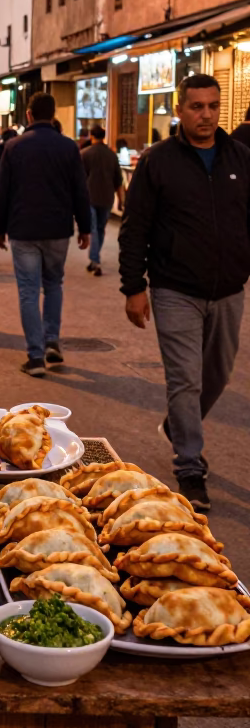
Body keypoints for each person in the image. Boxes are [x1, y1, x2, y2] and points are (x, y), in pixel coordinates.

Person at [119, 73, 250, 512]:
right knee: (186, 379)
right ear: (179, 110)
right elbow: (135, 227)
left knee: (217, 375)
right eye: (197, 106)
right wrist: (134, 287)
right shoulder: (159, 161)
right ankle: (190, 467)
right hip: (175, 288)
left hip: (230, 289)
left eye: (213, 106)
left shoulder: (240, 158)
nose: (207, 115)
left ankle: (179, 425)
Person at [0, 91, 92, 376]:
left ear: (29, 115)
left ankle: (35, 357)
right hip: (58, 230)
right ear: (53, 115)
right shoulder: (68, 147)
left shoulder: (13, 147)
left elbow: (2, 192)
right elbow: (80, 191)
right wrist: (85, 227)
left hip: (23, 230)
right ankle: (51, 340)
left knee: (27, 290)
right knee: (53, 285)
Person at [82, 125, 124, 276]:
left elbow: (79, 180)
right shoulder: (111, 155)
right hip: (107, 198)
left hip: (89, 198)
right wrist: (121, 200)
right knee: (100, 229)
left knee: (93, 229)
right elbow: (118, 181)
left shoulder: (84, 154)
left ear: (91, 136)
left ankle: (95, 261)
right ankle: (95, 260)